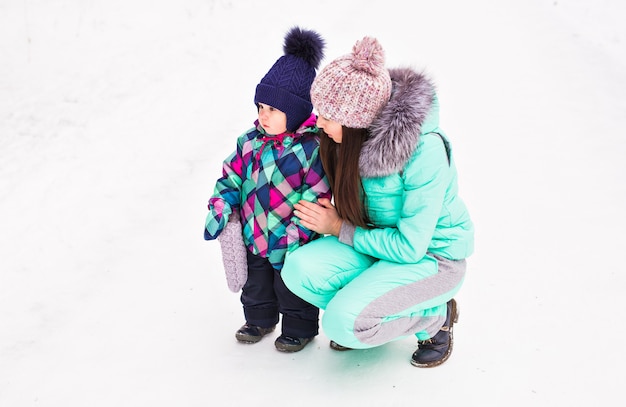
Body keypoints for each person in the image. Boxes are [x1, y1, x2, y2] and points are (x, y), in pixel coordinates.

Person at [281, 36, 474, 367]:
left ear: (357, 120)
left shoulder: (424, 152)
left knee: (342, 324)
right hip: (378, 246)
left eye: (328, 116)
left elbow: (411, 248)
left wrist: (341, 228)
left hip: (432, 258)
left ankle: (434, 317)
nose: (319, 123)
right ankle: (372, 315)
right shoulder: (346, 141)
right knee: (298, 269)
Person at [204, 27, 331, 353]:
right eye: (261, 106)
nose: (263, 114)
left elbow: (317, 192)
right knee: (255, 285)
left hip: (292, 239)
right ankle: (259, 319)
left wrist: (297, 233)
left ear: (298, 111)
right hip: (253, 232)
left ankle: (299, 328)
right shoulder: (249, 142)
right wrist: (221, 203)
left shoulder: (311, 148)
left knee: (291, 288)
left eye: (273, 109)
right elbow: (231, 176)